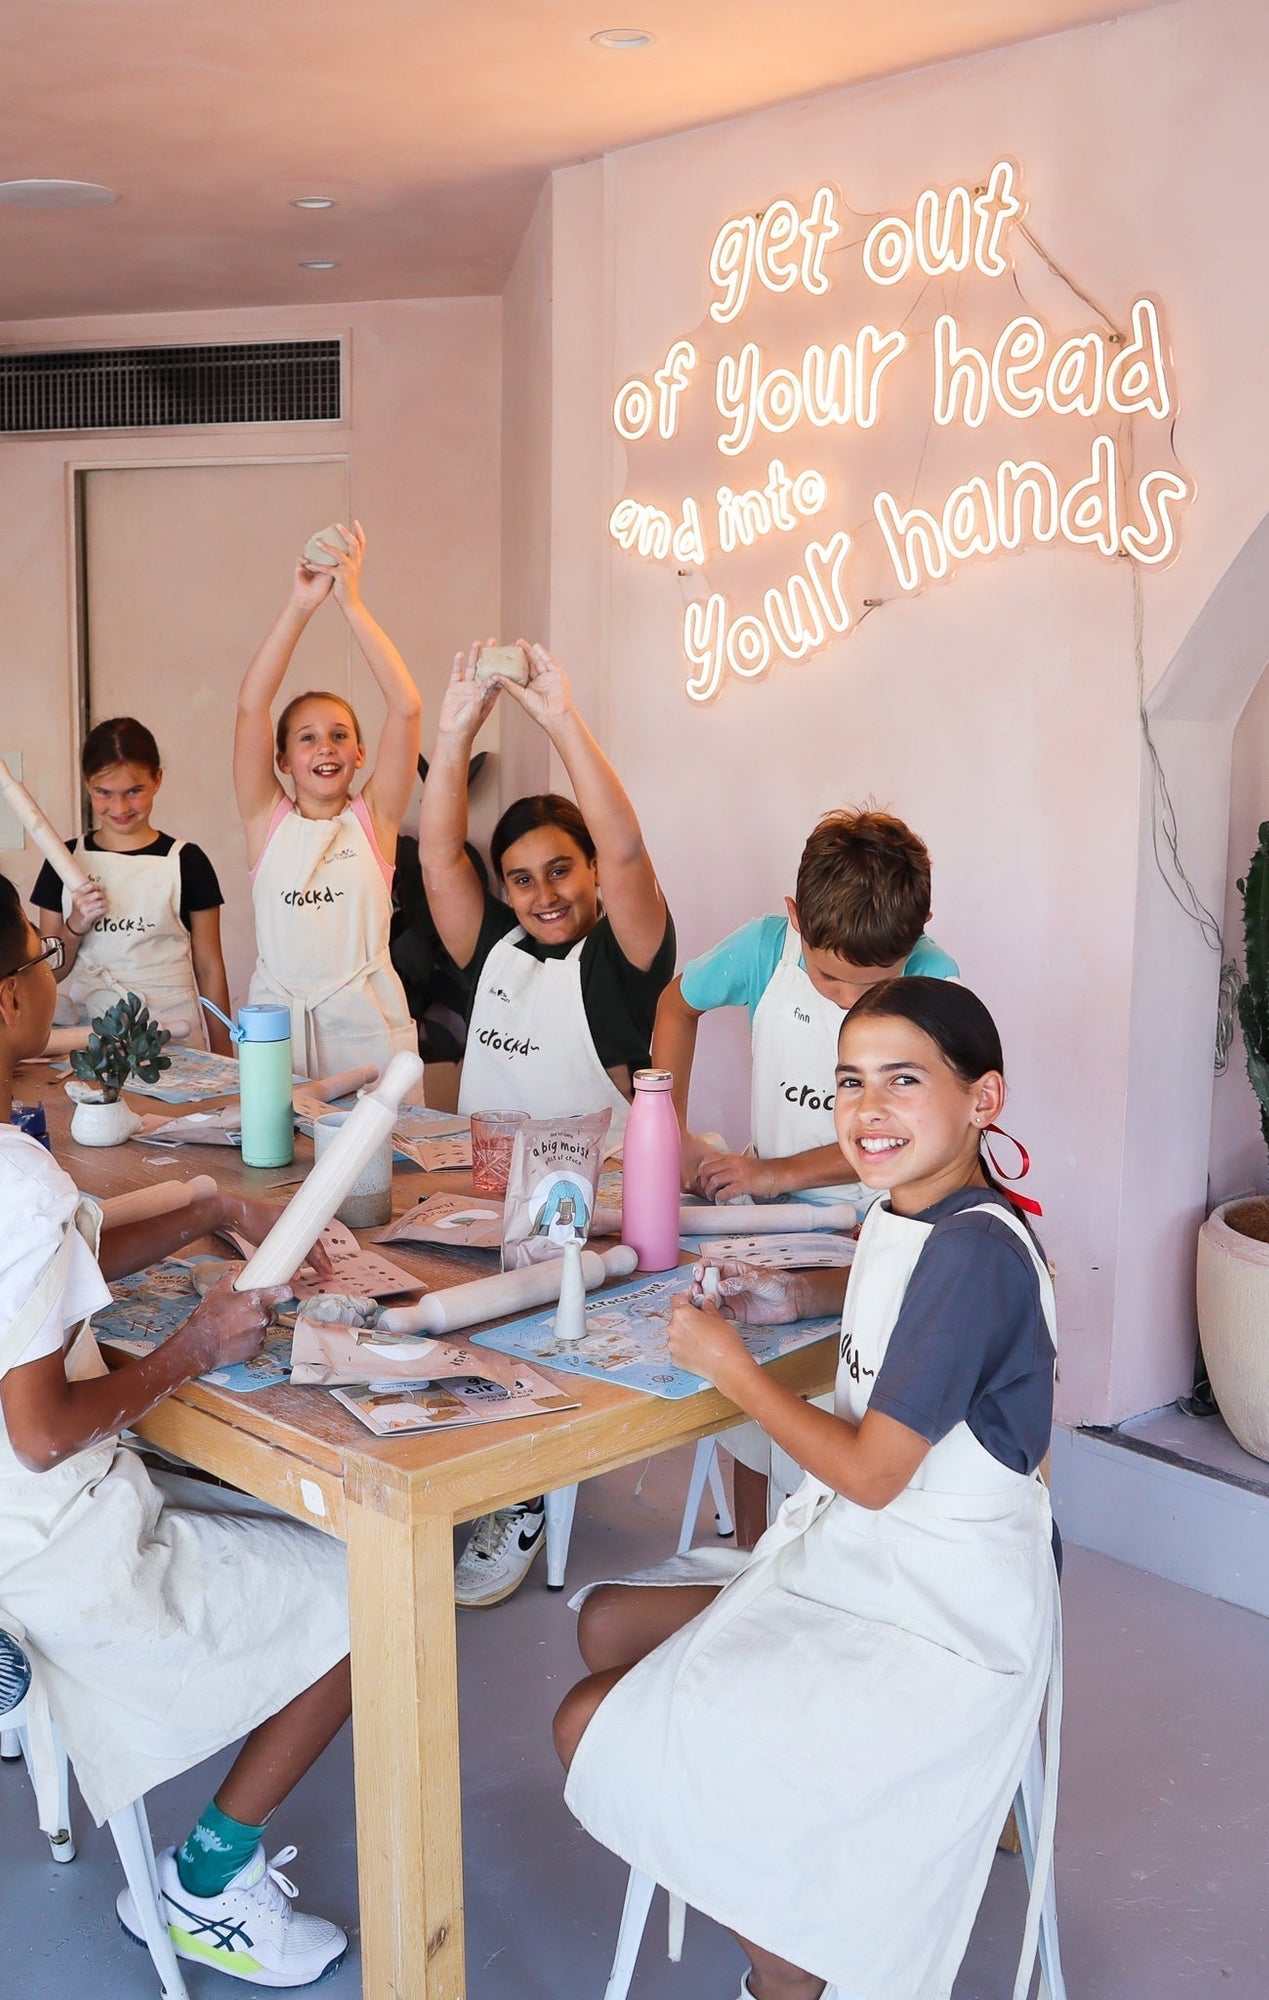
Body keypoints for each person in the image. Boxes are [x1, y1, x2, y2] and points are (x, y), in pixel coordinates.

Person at [0, 860, 354, 1988]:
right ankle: (204, 1883)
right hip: (35, 1536)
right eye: (34, 954)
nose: (48, 967)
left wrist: (205, 1207)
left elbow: (37, 1274)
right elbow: (41, 1428)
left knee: (261, 1523)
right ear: (1, 1002)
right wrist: (192, 1349)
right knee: (369, 1599)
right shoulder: (12, 1175)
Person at [555, 978, 1059, 2000]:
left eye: (901, 1080)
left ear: (982, 1098)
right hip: (863, 1563)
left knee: (586, 1720)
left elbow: (874, 1473)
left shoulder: (975, 1254)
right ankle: (792, 1874)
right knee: (607, 1624)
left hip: (935, 1611)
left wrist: (732, 1367)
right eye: (849, 1082)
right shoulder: (914, 1210)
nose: (867, 1109)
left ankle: (789, 1973)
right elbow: (893, 1289)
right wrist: (788, 1291)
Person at [420, 642, 675, 1606]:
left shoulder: (624, 955)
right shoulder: (495, 948)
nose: (545, 894)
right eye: (521, 879)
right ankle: (470, 1473)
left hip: (589, 1230)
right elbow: (440, 851)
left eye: (561, 869)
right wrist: (456, 733)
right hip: (483, 1200)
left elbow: (630, 850)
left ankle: (517, 1495)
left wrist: (560, 719)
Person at [648, 807, 957, 1545]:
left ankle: (825, 1554)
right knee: (753, 1388)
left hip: (881, 1223)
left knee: (842, 1399)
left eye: (872, 984)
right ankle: (754, 1554)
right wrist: (669, 1132)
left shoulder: (937, 982)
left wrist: (775, 1172)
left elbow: (897, 1132)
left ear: (914, 943)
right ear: (794, 918)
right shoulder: (762, 950)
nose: (849, 999)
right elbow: (675, 1003)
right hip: (770, 1219)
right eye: (829, 977)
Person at [233, 521, 422, 1083]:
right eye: (307, 737)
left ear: (361, 754)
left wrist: (352, 604)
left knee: (376, 1170)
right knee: (273, 1165)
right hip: (279, 1035)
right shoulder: (265, 819)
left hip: (368, 1032)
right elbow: (251, 707)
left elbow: (406, 708)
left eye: (340, 735)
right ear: (283, 760)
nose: (326, 747)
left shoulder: (374, 819)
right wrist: (300, 604)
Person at [30, 715, 233, 1052]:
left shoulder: (187, 861)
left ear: (157, 780)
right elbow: (49, 974)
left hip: (174, 1036)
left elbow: (210, 967)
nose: (120, 807)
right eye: (104, 793)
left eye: (134, 791)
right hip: (91, 1037)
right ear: (87, 784)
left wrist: (226, 1054)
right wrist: (75, 925)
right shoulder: (64, 861)